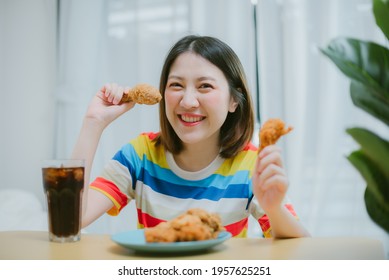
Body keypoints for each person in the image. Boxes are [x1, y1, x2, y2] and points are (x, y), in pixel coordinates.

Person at [72, 35, 310, 238]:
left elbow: (299, 247)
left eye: (205, 86)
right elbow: (71, 222)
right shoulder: (140, 155)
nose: (187, 101)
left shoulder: (250, 165)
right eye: (176, 85)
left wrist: (275, 208)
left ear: (234, 100)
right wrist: (93, 123)